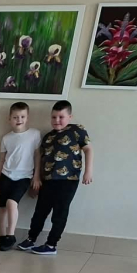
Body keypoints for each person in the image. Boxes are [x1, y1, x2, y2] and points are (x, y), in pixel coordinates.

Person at [18, 100, 93, 256]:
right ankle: (31, 238)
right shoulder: (48, 137)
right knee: (40, 211)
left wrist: (88, 171)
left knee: (60, 212)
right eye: (54, 117)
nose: (57, 120)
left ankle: (51, 244)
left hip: (68, 180)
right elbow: (40, 158)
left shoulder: (77, 130)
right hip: (48, 180)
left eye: (61, 117)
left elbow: (88, 149)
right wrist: (36, 178)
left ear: (70, 117)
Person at [0, 102, 41, 250]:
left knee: (11, 203)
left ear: (27, 117)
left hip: (24, 177)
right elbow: (1, 160)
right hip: (6, 175)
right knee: (2, 207)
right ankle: (2, 236)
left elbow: (37, 156)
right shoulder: (6, 138)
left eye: (22, 116)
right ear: (9, 119)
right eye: (15, 117)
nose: (19, 120)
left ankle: (10, 235)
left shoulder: (34, 134)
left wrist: (36, 176)